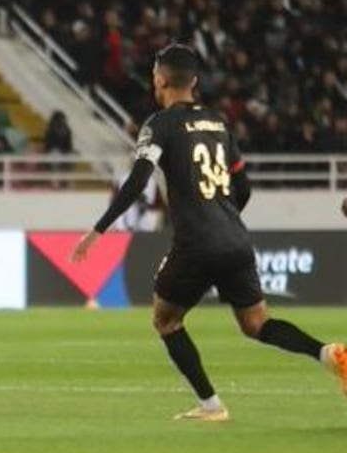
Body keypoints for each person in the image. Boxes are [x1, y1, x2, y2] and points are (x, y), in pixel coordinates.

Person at [72, 44, 347, 421]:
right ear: (195, 81)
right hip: (236, 238)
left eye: (154, 75)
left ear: (160, 79)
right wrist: (223, 220)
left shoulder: (160, 124)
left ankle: (211, 406)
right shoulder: (218, 122)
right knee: (257, 324)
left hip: (197, 243)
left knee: (166, 320)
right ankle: (327, 354)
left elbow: (137, 181)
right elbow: (243, 187)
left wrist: (97, 230)